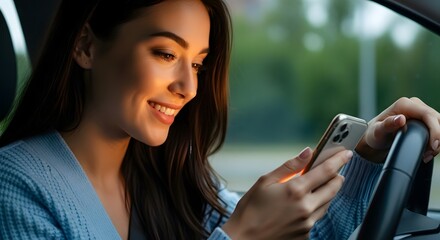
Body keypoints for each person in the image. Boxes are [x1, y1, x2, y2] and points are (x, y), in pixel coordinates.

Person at [0, 0, 439, 239]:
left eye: (197, 64)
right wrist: (242, 236)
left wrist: (365, 151)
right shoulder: (15, 187)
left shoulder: (171, 176)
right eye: (166, 54)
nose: (188, 89)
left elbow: (309, 236)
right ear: (86, 47)